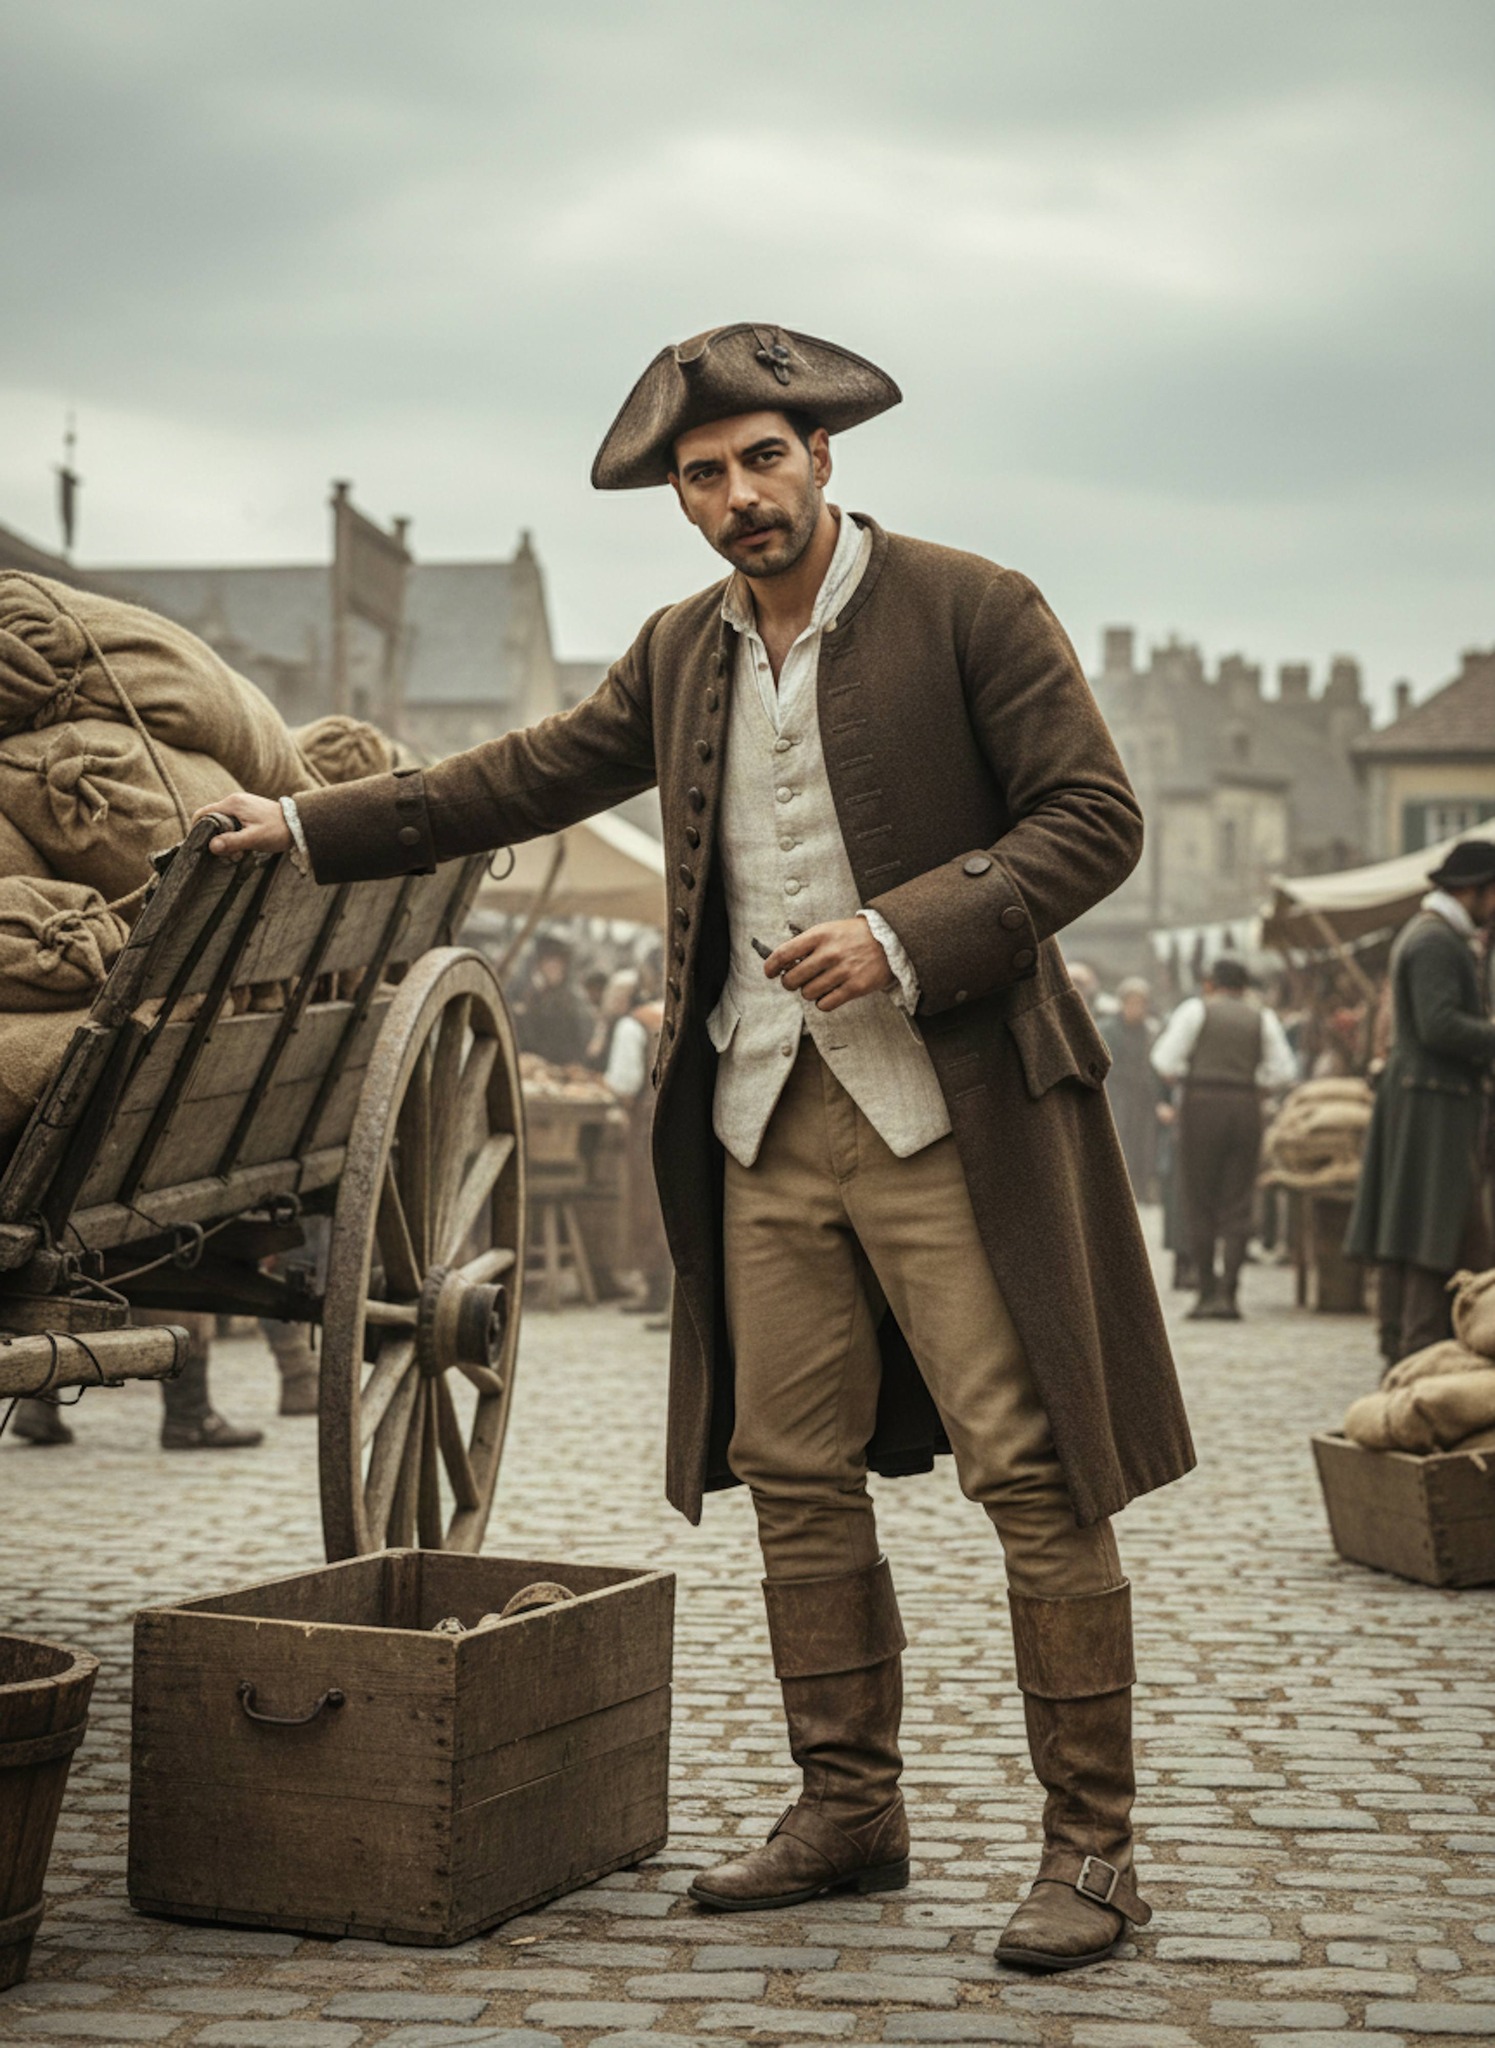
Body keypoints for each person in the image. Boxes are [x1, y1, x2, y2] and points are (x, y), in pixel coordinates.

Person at [194, 321, 1193, 1974]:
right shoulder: (679, 651)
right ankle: (848, 1807)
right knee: (788, 1466)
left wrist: (903, 930)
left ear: (822, 456)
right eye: (705, 474)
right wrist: (302, 821)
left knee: (1027, 1472)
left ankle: (1092, 1850)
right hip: (760, 1119)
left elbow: (1092, 817)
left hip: (948, 1112)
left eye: (762, 460)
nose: (741, 496)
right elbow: (513, 779)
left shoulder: (971, 605)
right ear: (681, 495)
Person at [1347, 841, 1495, 1367]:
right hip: (1433, 1101)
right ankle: (1414, 1350)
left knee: (1418, 1229)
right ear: (1473, 889)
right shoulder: (1436, 941)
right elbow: (1439, 1025)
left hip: (1429, 1099)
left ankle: (1406, 1348)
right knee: (1430, 1232)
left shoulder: (1436, 935)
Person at [1151, 959, 1297, 1320]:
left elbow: (1164, 1060)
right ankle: (1230, 1294)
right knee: (1238, 1201)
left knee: (1198, 1199)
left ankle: (1206, 1293)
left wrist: (1190, 1075)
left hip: (1201, 1104)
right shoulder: (1262, 1018)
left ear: (1210, 983)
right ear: (1245, 987)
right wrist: (1253, 1083)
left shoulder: (1195, 1011)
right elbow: (1284, 1071)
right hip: (1245, 1106)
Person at [605, 963, 672, 1317]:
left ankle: (657, 1290)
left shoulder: (631, 1025)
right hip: (674, 1116)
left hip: (645, 1122)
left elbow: (625, 1086)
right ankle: (667, 1295)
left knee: (647, 1206)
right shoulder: (667, 1013)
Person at [1099, 977, 1164, 1201]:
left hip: (1141, 1099)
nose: (1136, 1009)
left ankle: (1138, 1189)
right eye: (1132, 1003)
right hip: (1117, 1095)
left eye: (1141, 1003)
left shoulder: (1150, 1032)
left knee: (1141, 1146)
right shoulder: (1108, 1029)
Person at [512, 934, 593, 1068]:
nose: (553, 967)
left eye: (558, 963)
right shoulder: (528, 993)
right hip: (530, 1064)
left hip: (561, 1065)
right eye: (549, 962)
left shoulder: (574, 999)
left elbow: (578, 1039)